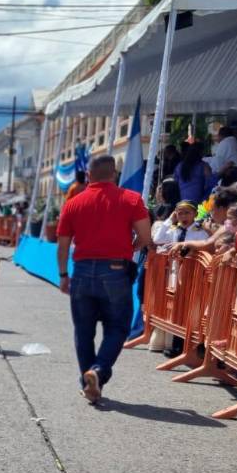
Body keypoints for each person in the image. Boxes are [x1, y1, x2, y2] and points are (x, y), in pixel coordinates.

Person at [56, 155, 153, 405]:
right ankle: (98, 372)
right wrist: (131, 246)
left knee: (83, 331)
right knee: (118, 327)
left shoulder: (73, 203)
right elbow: (145, 236)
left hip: (82, 270)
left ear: (88, 175)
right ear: (114, 174)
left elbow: (63, 245)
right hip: (115, 269)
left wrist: (63, 275)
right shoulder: (131, 199)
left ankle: (88, 382)